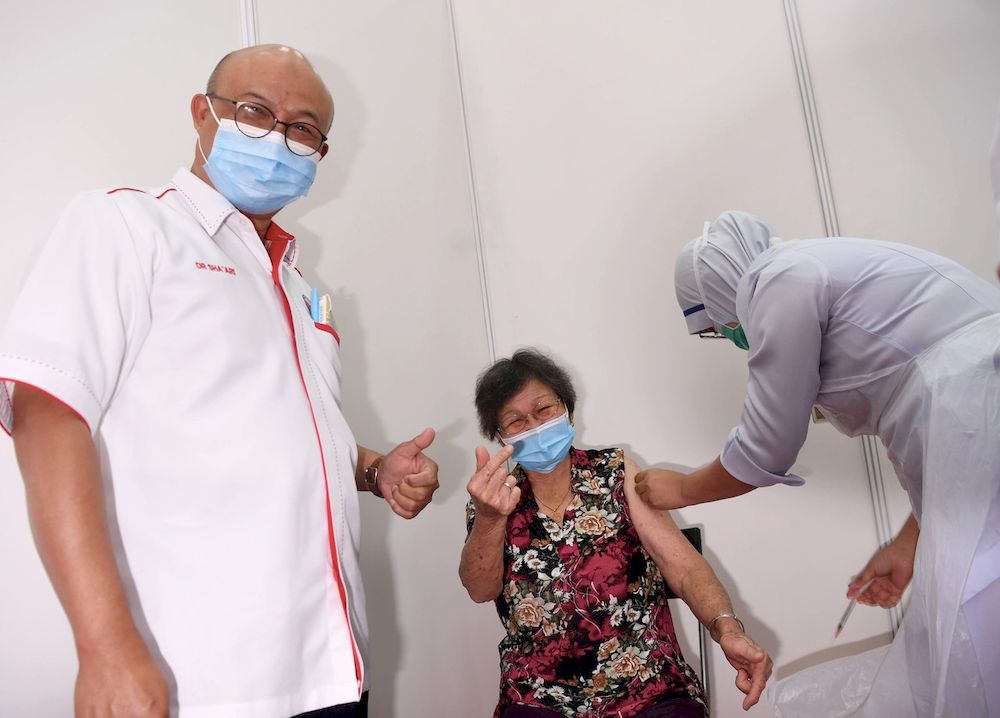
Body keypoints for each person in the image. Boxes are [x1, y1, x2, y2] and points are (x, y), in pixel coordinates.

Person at [0, 45, 439, 718]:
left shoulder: (297, 283)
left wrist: (375, 470)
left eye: (303, 128)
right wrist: (104, 647)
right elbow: (47, 411)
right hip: (204, 683)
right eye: (256, 111)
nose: (279, 137)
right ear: (202, 114)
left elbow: (288, 433)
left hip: (334, 669)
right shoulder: (126, 225)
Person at [640, 210, 1000, 717]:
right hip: (977, 416)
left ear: (721, 294)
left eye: (717, 325)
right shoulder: (809, 273)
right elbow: (962, 469)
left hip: (979, 405)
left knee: (974, 623)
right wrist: (907, 544)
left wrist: (680, 489)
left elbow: (766, 444)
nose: (729, 334)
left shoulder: (778, 279)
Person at [459, 349, 772, 718]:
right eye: (515, 421)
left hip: (649, 686)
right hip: (538, 697)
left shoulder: (616, 472)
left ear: (568, 410)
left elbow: (683, 568)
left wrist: (727, 630)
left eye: (544, 410)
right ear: (500, 436)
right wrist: (490, 518)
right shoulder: (493, 501)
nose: (534, 426)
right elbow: (480, 590)